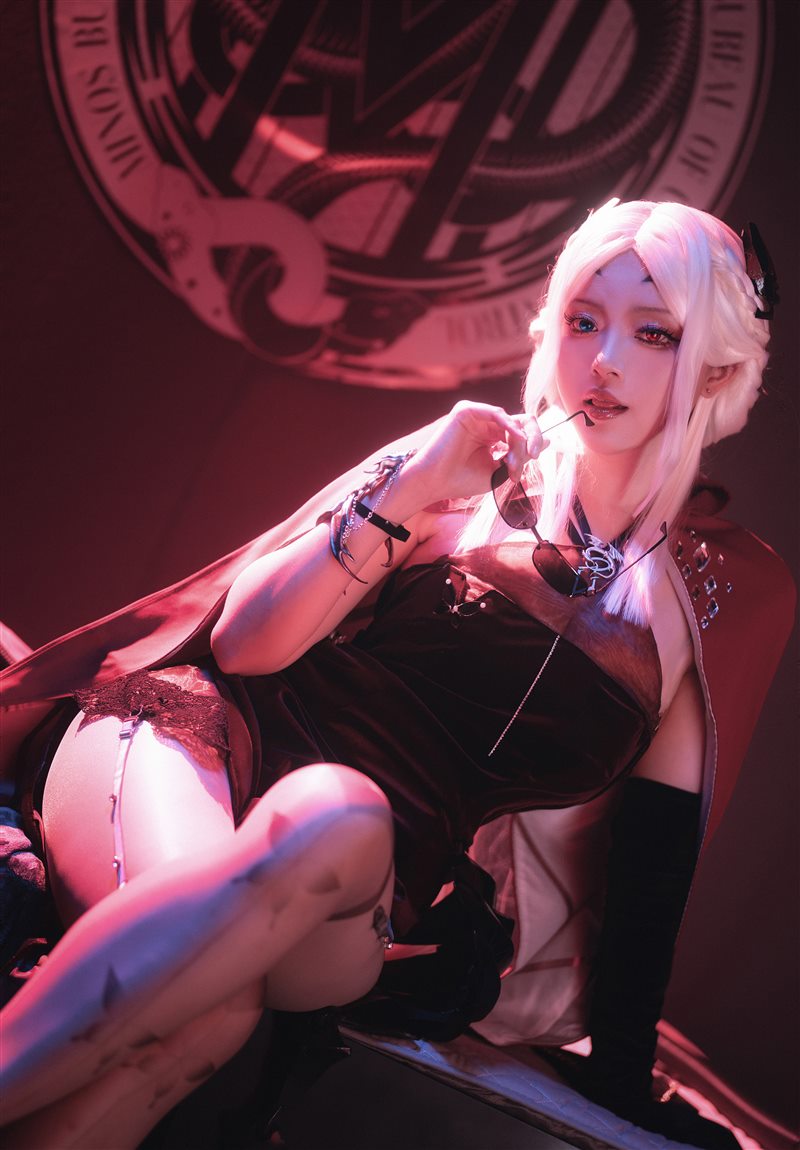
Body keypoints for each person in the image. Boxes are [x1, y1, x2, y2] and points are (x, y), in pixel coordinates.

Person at [0, 199, 793, 1150]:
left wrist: (622, 1079)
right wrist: (414, 487)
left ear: (718, 368)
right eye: (584, 320)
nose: (606, 359)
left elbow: (649, 876)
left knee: (335, 828)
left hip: (371, 888)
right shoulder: (466, 467)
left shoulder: (690, 619)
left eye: (652, 332)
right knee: (210, 1008)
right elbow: (246, 647)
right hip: (203, 740)